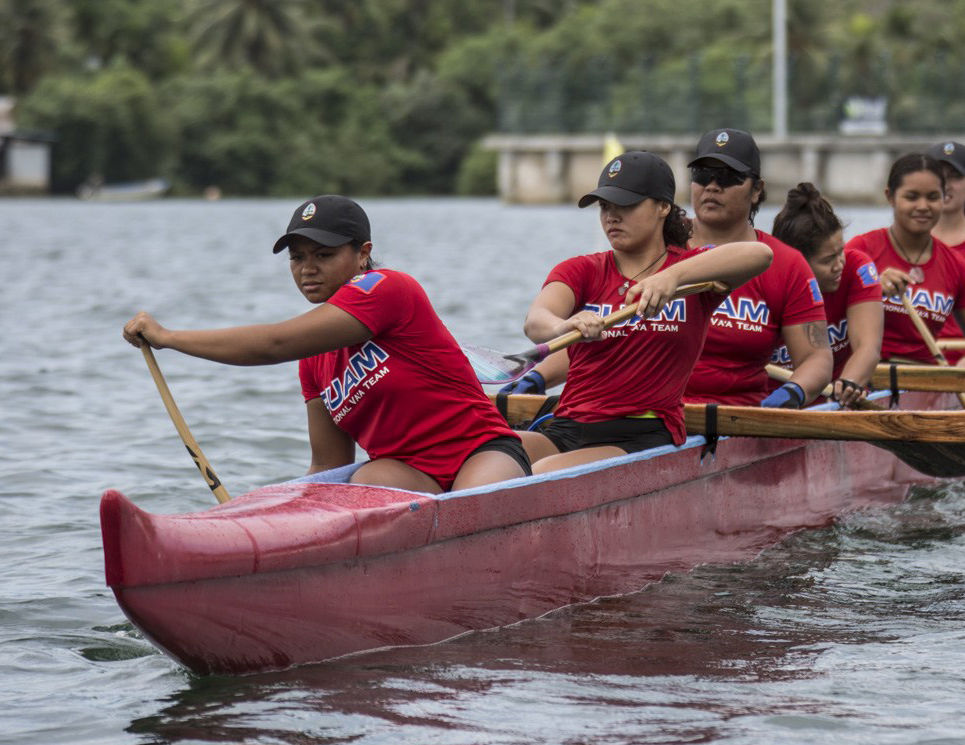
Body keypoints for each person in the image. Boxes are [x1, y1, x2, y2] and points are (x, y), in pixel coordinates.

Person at [123, 195, 530, 494]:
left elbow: (273, 343)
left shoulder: (388, 288)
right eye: (297, 257)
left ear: (362, 254)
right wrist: (284, 515)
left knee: (473, 504)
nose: (307, 269)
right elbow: (328, 464)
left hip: (480, 452)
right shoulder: (314, 360)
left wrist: (169, 338)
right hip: (406, 471)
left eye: (324, 254)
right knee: (360, 483)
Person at [516, 151, 772, 473]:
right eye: (606, 206)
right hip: (568, 425)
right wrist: (565, 325)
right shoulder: (582, 270)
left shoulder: (691, 273)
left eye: (626, 205)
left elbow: (759, 254)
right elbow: (536, 321)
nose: (611, 216)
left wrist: (671, 277)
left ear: (663, 207)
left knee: (540, 473)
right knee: (483, 456)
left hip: (642, 433)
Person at [681, 128, 833, 407]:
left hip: (742, 419)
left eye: (728, 177)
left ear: (757, 190)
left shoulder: (787, 265)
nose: (712, 186)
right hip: (657, 416)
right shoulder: (657, 248)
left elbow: (817, 358)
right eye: (702, 175)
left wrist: (793, 393)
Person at [770, 183, 883, 406]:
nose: (840, 264)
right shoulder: (764, 283)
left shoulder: (856, 268)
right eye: (827, 260)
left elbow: (868, 348)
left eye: (840, 251)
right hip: (777, 403)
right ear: (795, 264)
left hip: (837, 398)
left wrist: (848, 384)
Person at [845, 153, 965, 363]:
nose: (923, 206)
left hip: (926, 380)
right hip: (864, 377)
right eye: (911, 197)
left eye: (933, 197)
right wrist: (870, 288)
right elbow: (823, 309)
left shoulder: (956, 264)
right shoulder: (861, 249)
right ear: (890, 196)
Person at [927, 141, 965, 364]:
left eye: (955, 177)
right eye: (938, 176)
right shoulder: (896, 246)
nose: (945, 185)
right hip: (910, 365)